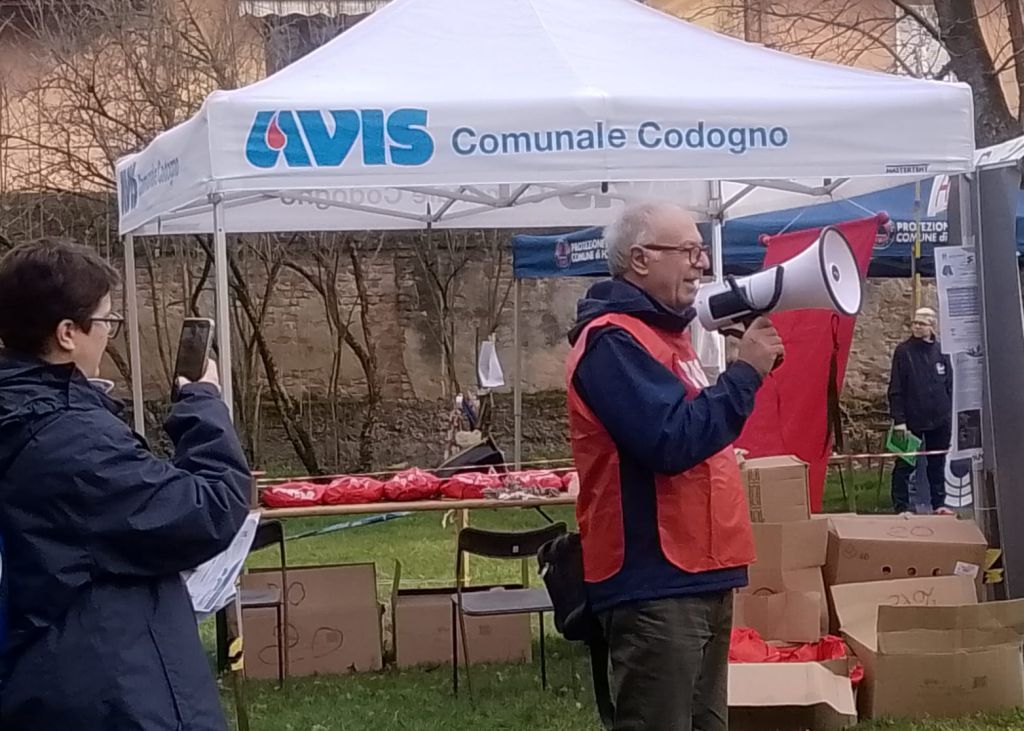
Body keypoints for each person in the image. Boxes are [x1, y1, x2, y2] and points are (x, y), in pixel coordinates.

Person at [0, 239, 252, 731]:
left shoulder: (30, 416)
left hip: (49, 675)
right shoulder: (66, 438)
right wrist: (203, 403)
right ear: (68, 333)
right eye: (106, 321)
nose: (109, 336)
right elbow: (209, 507)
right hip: (112, 693)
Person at [565, 202, 783, 731]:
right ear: (640, 259)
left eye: (701, 250)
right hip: (655, 578)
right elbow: (670, 440)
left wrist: (747, 373)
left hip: (699, 570)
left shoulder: (664, 336)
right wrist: (744, 377)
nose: (702, 263)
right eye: (688, 251)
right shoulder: (612, 342)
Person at [888, 306, 953, 515]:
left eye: (922, 323)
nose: (916, 327)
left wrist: (949, 413)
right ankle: (901, 506)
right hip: (911, 419)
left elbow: (949, 384)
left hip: (940, 418)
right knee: (905, 463)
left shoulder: (941, 351)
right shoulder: (904, 351)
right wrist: (899, 420)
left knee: (937, 463)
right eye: (915, 323)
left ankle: (939, 504)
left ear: (932, 327)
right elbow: (896, 387)